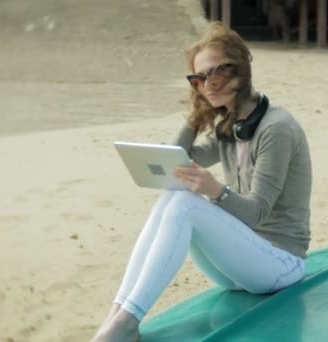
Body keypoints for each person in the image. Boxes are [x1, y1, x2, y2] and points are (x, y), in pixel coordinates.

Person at [92, 22, 312, 342]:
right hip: (239, 265)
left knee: (185, 204)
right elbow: (177, 159)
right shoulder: (231, 127)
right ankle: (117, 316)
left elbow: (257, 214)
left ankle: (126, 323)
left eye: (215, 73)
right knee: (174, 191)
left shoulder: (275, 128)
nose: (207, 85)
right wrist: (195, 114)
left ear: (240, 70)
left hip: (281, 266)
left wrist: (214, 190)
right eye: (198, 79)